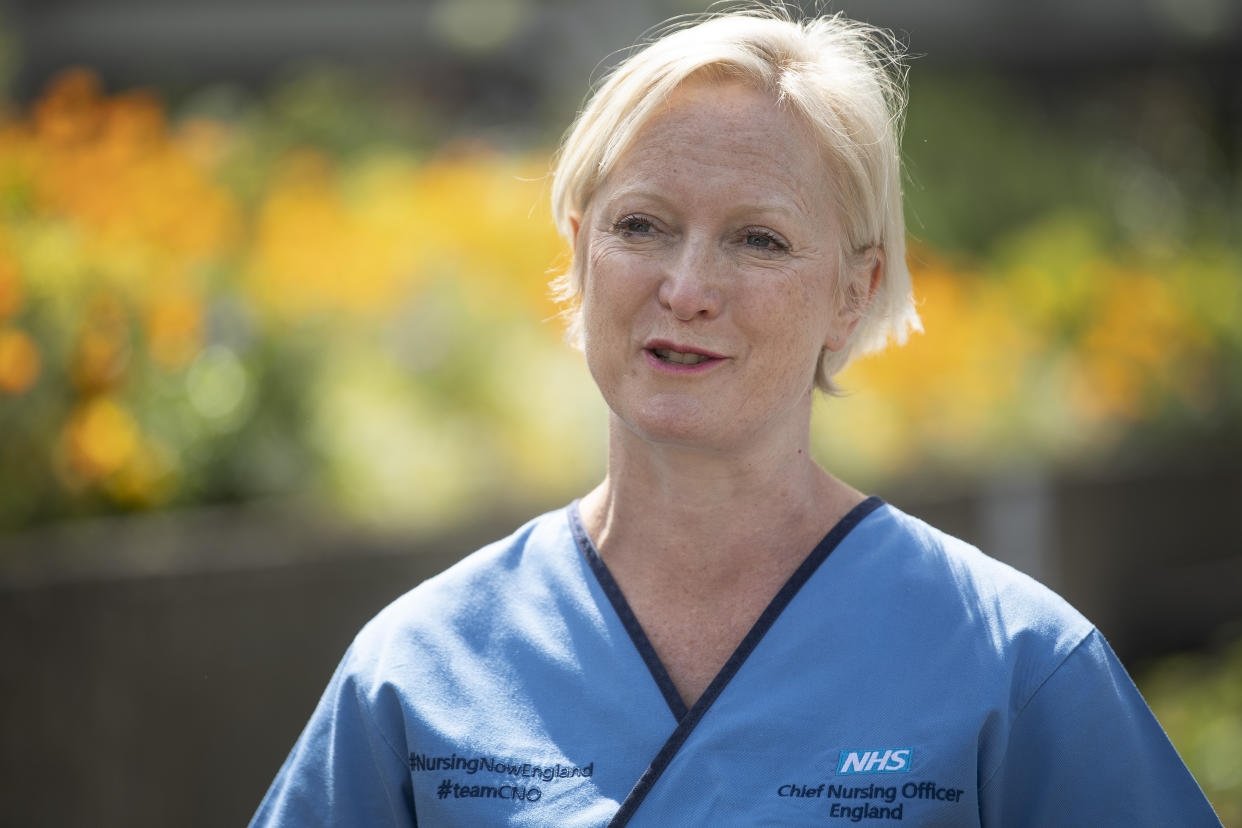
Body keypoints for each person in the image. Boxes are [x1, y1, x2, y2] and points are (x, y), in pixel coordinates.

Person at [250, 7, 1221, 826]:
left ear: (855, 290)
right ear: (582, 255)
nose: (686, 288)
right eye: (642, 226)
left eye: (758, 239)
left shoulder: (1020, 672)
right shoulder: (417, 673)